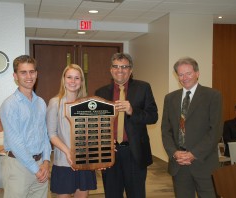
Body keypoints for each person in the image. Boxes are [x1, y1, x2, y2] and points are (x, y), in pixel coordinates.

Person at [95, 53, 158, 198]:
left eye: (124, 67)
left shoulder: (143, 88)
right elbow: (97, 125)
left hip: (134, 152)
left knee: (136, 194)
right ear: (111, 70)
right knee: (112, 194)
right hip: (111, 152)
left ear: (130, 70)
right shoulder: (101, 92)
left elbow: (153, 116)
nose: (120, 70)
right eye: (116, 66)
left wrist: (132, 111)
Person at [161, 57, 222, 198]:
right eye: (181, 74)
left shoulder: (212, 96)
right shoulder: (170, 98)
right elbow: (166, 130)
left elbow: (215, 131)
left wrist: (193, 154)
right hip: (179, 164)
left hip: (204, 163)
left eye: (188, 73)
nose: (184, 77)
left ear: (197, 73)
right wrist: (175, 153)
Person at [0, 55, 52, 198]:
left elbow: (44, 136)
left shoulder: (41, 102)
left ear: (36, 74)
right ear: (15, 76)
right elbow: (15, 143)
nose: (29, 76)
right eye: (23, 72)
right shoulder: (9, 105)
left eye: (32, 71)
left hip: (40, 165)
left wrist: (46, 162)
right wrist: (36, 169)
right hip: (18, 167)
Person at [46, 64, 97, 198]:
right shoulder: (55, 103)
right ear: (63, 79)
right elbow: (51, 134)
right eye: (69, 77)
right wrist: (68, 152)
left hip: (84, 162)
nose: (73, 81)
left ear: (81, 82)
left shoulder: (87, 104)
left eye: (77, 78)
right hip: (63, 162)